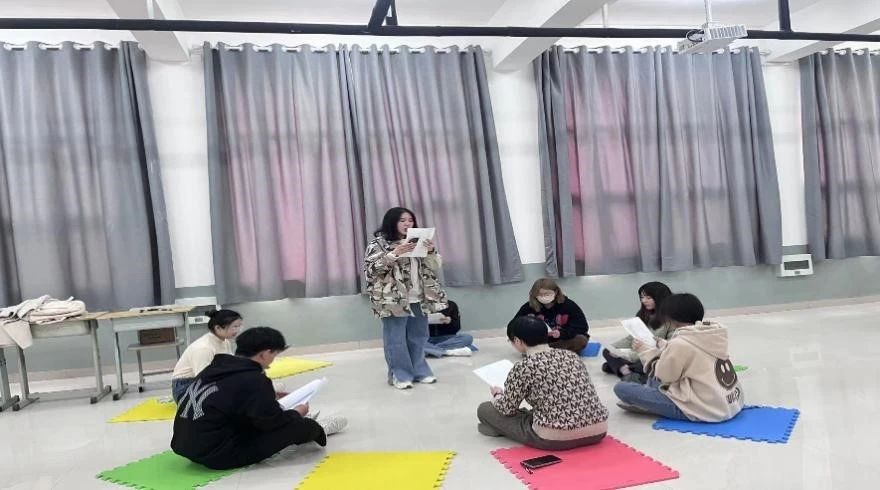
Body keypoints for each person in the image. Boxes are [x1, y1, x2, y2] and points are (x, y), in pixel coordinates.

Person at [170, 327, 347, 470]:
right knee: (296, 425)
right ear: (264, 354)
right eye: (274, 354)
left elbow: (229, 399)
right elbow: (272, 423)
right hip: (219, 454)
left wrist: (269, 397)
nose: (273, 360)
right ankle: (320, 428)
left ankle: (298, 417)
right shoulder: (254, 379)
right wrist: (297, 412)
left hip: (186, 446)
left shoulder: (214, 368)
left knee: (268, 413)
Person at [476, 316, 608, 450]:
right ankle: (503, 428)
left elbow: (506, 409)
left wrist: (497, 394)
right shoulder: (571, 356)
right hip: (598, 431)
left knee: (485, 409)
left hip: (554, 438)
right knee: (536, 410)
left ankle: (499, 429)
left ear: (517, 341)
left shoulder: (524, 366)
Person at [614, 293, 745, 422]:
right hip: (731, 402)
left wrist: (644, 350)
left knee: (622, 389)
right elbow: (691, 352)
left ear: (671, 317)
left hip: (704, 409)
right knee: (653, 379)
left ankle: (650, 404)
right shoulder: (712, 333)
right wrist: (665, 345)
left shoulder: (680, 343)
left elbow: (664, 377)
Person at [363, 207, 448, 389]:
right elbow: (371, 270)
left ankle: (420, 371)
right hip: (393, 299)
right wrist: (395, 253)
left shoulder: (419, 241)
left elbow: (434, 266)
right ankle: (400, 374)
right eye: (402, 220)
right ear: (392, 222)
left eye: (410, 220)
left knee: (419, 336)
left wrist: (431, 251)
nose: (407, 223)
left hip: (419, 297)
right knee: (396, 339)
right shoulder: (378, 244)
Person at [601, 282, 673, 383]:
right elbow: (631, 337)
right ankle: (626, 371)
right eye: (642, 297)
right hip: (637, 351)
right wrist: (614, 347)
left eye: (648, 298)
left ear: (660, 298)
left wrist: (628, 355)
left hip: (654, 354)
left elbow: (668, 348)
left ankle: (624, 369)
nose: (644, 301)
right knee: (607, 351)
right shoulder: (643, 314)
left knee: (645, 364)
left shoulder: (671, 318)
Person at [171, 309, 242, 403]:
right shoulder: (204, 348)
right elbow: (203, 378)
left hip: (208, 381)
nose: (237, 330)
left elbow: (230, 366)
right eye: (234, 327)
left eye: (239, 326)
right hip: (186, 387)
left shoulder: (225, 341)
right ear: (218, 328)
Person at [511, 278, 589, 353]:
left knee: (580, 340)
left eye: (547, 294)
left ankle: (542, 351)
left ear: (556, 292)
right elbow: (513, 325)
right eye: (540, 295)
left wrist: (561, 333)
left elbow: (582, 327)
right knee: (521, 341)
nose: (543, 297)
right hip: (540, 341)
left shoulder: (569, 305)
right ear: (534, 295)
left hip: (562, 339)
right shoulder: (528, 307)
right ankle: (550, 351)